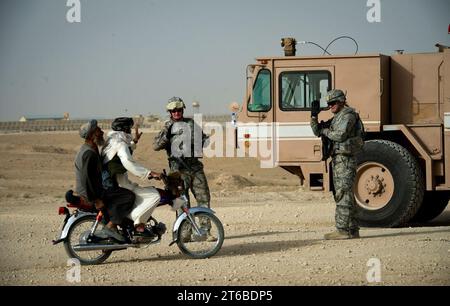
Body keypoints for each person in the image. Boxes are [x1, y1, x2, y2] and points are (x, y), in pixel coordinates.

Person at [153, 97, 213, 241]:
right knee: (182, 203)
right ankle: (185, 234)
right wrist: (167, 136)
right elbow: (156, 146)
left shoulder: (191, 124)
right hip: (177, 171)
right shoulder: (167, 127)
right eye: (173, 111)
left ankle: (205, 231)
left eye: (179, 110)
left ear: (182, 110)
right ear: (170, 112)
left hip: (195, 168)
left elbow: (205, 141)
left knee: (203, 198)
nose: (176, 113)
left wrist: (199, 142)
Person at [310, 89, 364, 240]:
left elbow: (339, 136)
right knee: (345, 194)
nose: (330, 106)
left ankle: (342, 230)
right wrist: (314, 116)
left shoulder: (348, 115)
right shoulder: (336, 118)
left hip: (345, 160)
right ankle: (352, 229)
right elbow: (316, 131)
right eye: (328, 104)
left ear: (341, 101)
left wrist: (325, 131)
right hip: (339, 159)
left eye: (333, 103)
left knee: (342, 193)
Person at [74, 119, 135, 242]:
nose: (102, 132)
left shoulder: (90, 148)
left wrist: (134, 142)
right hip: (92, 193)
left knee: (117, 192)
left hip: (95, 189)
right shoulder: (89, 153)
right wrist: (96, 200)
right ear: (92, 135)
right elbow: (87, 179)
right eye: (98, 131)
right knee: (128, 196)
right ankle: (111, 226)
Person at [101, 117, 162, 237]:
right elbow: (128, 161)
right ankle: (139, 226)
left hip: (116, 181)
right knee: (153, 195)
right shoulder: (119, 144)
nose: (130, 131)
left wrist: (134, 142)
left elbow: (125, 150)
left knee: (138, 192)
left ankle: (129, 223)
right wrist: (150, 173)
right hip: (114, 184)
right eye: (129, 128)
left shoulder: (112, 141)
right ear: (124, 129)